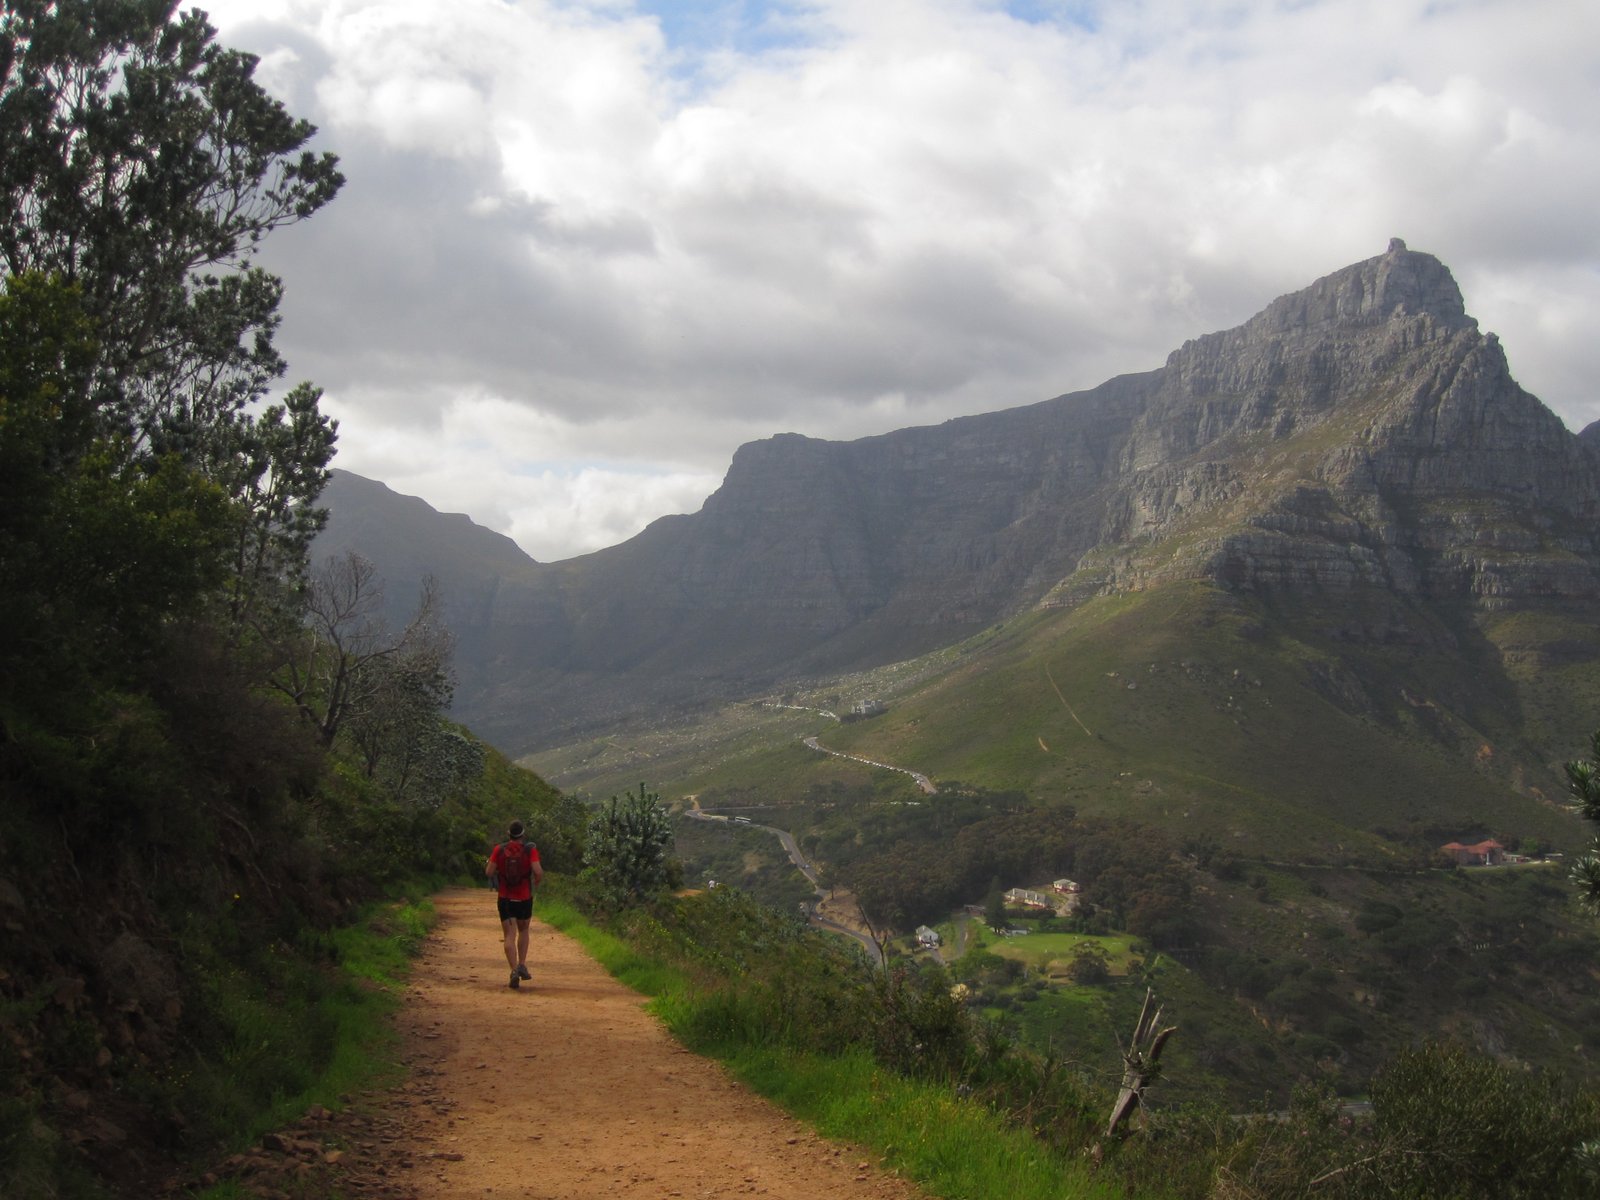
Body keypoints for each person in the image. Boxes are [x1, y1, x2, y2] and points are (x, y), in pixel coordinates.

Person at [485, 821, 543, 989]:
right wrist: (536, 881)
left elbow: (489, 872)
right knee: (523, 930)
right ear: (523, 834)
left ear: (508, 834)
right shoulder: (530, 850)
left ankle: (513, 970)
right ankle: (522, 964)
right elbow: (538, 871)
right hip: (524, 897)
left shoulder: (499, 850)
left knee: (509, 934)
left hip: (505, 898)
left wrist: (500, 873)